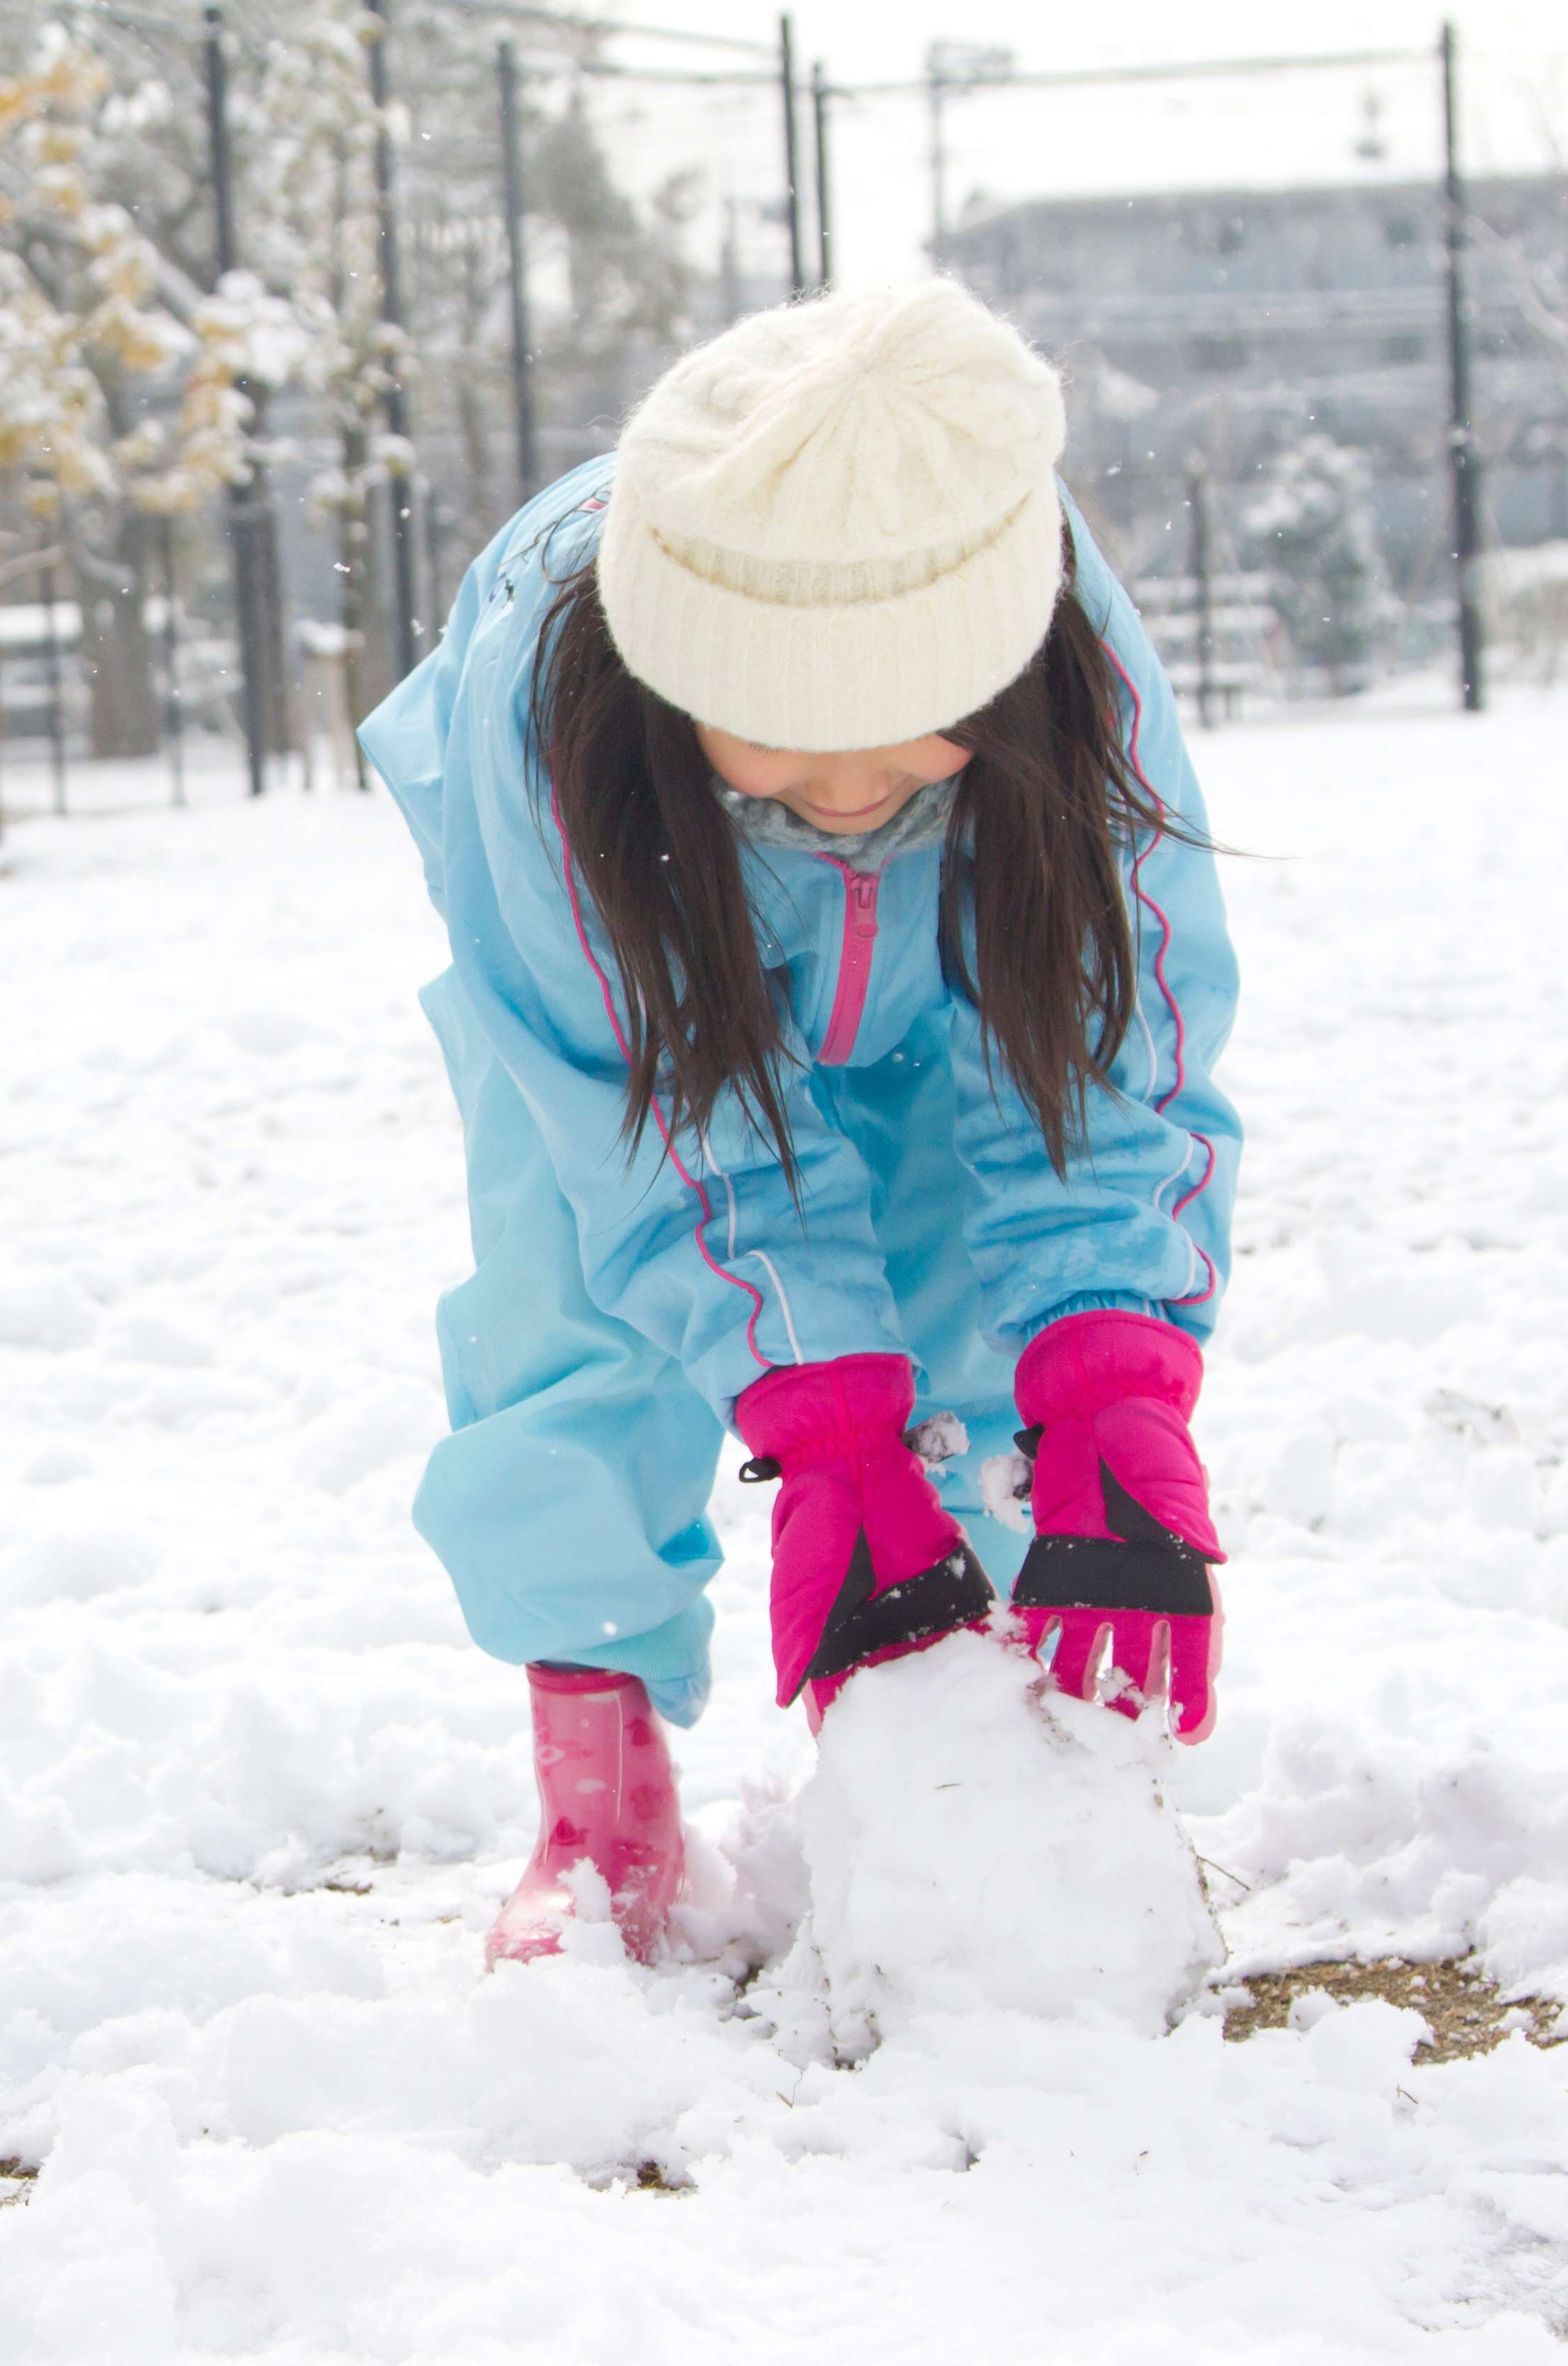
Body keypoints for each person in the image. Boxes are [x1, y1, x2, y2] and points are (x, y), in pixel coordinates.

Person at [357, 280, 1241, 1967]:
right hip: (636, 982)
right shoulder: (551, 709)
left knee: (983, 1315)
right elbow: (660, 1140)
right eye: (781, 736)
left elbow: (1114, 1055)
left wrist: (1114, 1372)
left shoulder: (1066, 655)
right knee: (584, 1325)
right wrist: (822, 1431)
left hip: (938, 977)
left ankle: (984, 1774)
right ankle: (597, 1783)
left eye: (909, 737)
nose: (848, 793)